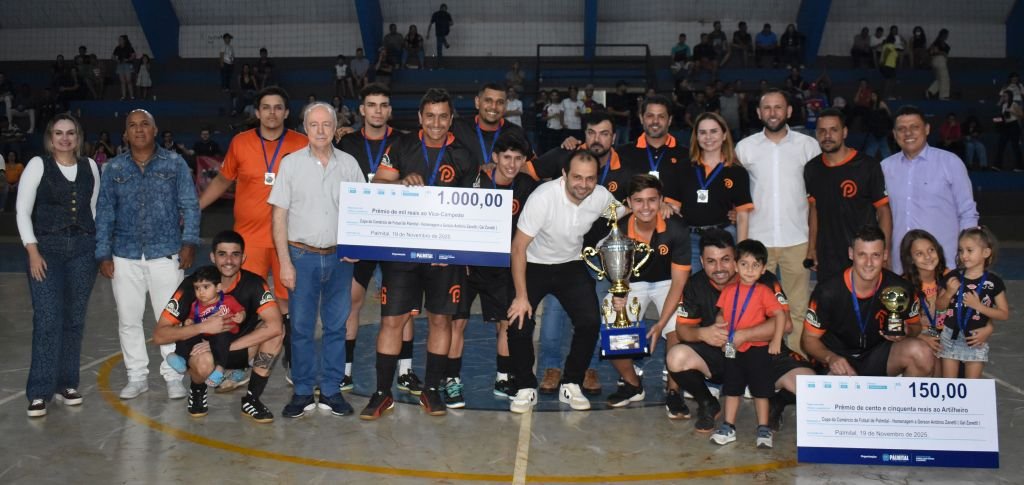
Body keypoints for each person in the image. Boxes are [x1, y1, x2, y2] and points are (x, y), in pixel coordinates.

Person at [360, 88, 476, 419]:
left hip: (445, 256)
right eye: (430, 116)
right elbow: (377, 187)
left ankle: (432, 390)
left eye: (443, 116)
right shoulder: (402, 146)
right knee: (392, 320)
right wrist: (401, 184)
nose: (436, 123)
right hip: (403, 253)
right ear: (420, 118)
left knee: (441, 320)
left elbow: (474, 209)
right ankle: (382, 393)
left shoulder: (464, 155)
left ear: (451, 119)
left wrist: (456, 250)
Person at [199, 87, 308, 388]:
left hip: (290, 240)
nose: (272, 113)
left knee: (288, 303)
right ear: (257, 112)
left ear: (287, 113)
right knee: (244, 304)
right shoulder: (241, 142)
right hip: (249, 240)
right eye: (266, 107)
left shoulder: (302, 143)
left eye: (278, 107)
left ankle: (292, 360)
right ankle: (239, 363)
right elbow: (223, 180)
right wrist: (196, 208)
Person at [525, 111, 635, 395]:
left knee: (592, 312)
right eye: (592, 132)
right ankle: (551, 367)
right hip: (562, 252)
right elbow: (527, 171)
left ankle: (588, 368)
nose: (597, 139)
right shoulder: (565, 155)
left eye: (604, 133)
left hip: (599, 255)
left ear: (614, 137)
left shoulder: (626, 167)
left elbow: (627, 207)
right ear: (583, 134)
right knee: (554, 311)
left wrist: (658, 204)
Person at [95, 109, 200, 400]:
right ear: (125, 134)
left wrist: (189, 242)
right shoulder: (113, 168)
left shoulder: (175, 163)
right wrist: (103, 253)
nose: (139, 130)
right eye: (133, 126)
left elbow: (190, 205)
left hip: (166, 254)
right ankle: (137, 377)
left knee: (170, 320)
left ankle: (173, 377)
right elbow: (104, 213)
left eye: (145, 125)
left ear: (155, 130)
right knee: (128, 320)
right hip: (124, 255)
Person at [506, 150, 622, 413]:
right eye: (577, 177)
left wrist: (660, 206)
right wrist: (521, 297)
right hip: (534, 263)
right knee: (518, 321)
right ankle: (525, 386)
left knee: (590, 321)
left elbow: (625, 211)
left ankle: (571, 383)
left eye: (590, 178)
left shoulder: (601, 196)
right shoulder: (543, 198)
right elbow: (518, 248)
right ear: (564, 175)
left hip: (570, 264)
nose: (583, 184)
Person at [268, 102, 364, 418]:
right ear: (305, 128)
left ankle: (332, 391)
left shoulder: (349, 164)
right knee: (301, 328)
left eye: (326, 125)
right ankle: (302, 392)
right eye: (314, 125)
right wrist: (285, 262)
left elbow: (362, 210)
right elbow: (278, 216)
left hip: (340, 258)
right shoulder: (291, 164)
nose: (320, 130)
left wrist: (358, 246)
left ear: (335, 128)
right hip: (301, 257)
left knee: (337, 326)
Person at [667, 228, 813, 431]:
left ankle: (776, 403)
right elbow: (682, 330)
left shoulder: (763, 279)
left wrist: (744, 335)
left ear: (735, 259)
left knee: (808, 385)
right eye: (711, 261)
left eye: (725, 260)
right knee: (676, 357)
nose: (719, 268)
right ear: (701, 261)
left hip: (764, 354)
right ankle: (708, 403)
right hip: (724, 355)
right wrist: (703, 333)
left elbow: (786, 324)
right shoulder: (695, 285)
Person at [334, 83, 421, 394]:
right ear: (361, 109)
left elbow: (413, 182)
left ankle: (406, 371)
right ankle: (344, 371)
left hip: (394, 233)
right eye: (371, 105)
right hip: (359, 233)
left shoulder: (405, 142)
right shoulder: (346, 143)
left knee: (404, 307)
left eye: (383, 105)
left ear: (390, 110)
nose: (378, 110)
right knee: (351, 302)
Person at [153, 230, 285, 422]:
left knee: (276, 332)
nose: (229, 261)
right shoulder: (194, 285)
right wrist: (203, 327)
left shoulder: (254, 283)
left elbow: (275, 326)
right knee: (203, 363)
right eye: (222, 254)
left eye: (235, 254)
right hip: (204, 354)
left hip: (237, 348)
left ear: (243, 258)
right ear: (212, 257)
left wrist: (221, 346)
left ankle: (252, 399)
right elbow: (159, 335)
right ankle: (198, 388)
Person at [446, 133, 539, 406]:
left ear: (524, 161)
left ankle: (503, 377)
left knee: (506, 323)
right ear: (495, 157)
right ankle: (451, 379)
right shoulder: (473, 181)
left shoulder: (527, 187)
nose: (511, 164)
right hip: (467, 264)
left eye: (518, 158)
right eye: (506, 157)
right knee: (457, 322)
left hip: (503, 266)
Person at [17, 114, 99, 418]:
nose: (65, 138)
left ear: (78, 137)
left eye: (71, 133)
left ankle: (67, 384)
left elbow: (93, 209)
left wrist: (97, 248)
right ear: (50, 138)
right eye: (59, 133)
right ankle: (39, 391)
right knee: (48, 318)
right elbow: (22, 211)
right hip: (47, 250)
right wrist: (33, 251)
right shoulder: (38, 165)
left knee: (74, 319)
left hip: (83, 250)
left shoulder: (90, 166)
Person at [735, 89, 821, 355]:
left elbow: (816, 199)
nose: (773, 113)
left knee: (798, 307)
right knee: (757, 308)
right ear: (759, 113)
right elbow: (734, 192)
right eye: (767, 108)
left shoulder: (808, 146)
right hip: (758, 241)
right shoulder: (744, 148)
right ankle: (760, 362)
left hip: (798, 239)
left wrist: (814, 244)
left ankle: (796, 360)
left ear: (789, 111)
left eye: (778, 107)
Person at [602, 174, 691, 409]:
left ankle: (674, 390)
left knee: (678, 328)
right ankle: (633, 384)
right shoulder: (620, 228)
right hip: (633, 283)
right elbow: (620, 273)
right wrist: (620, 294)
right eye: (639, 200)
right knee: (612, 322)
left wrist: (661, 324)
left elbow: (679, 283)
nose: (646, 207)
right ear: (629, 203)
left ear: (661, 200)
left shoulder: (676, 227)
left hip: (668, 282)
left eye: (652, 200)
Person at [801, 225, 934, 378]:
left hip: (877, 355)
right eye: (862, 255)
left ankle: (899, 394)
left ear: (885, 255)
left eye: (875, 255)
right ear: (851, 254)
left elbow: (916, 327)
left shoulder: (900, 288)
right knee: (841, 379)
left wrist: (906, 331)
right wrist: (830, 358)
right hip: (838, 357)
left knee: (922, 354)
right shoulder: (828, 291)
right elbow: (808, 340)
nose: (869, 263)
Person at [708, 239, 786, 448]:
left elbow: (779, 315)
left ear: (763, 269)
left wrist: (776, 340)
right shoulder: (728, 291)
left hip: (758, 350)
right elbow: (722, 314)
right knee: (732, 389)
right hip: (733, 350)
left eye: (755, 265)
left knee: (761, 392)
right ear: (735, 266)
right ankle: (728, 426)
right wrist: (722, 334)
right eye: (744, 264)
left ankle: (764, 428)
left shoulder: (764, 291)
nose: (749, 270)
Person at [881, 105, 978, 273]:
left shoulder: (950, 162)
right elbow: (881, 215)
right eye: (902, 129)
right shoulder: (885, 168)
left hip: (945, 265)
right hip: (900, 267)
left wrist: (967, 255)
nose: (908, 133)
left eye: (914, 127)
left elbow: (967, 212)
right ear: (894, 134)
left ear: (926, 129)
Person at [804, 108, 892, 284]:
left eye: (833, 130)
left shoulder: (867, 166)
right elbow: (814, 210)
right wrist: (812, 248)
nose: (827, 136)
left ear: (844, 132)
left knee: (865, 300)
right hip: (827, 255)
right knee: (829, 300)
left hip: (863, 253)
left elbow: (883, 212)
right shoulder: (812, 168)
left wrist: (883, 251)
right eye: (822, 131)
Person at [683, 112, 752, 271]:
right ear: (696, 137)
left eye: (714, 131)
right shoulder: (684, 167)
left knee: (725, 283)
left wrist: (740, 253)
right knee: (694, 285)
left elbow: (742, 216)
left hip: (725, 238)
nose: (708, 137)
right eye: (703, 132)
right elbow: (673, 208)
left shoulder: (737, 172)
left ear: (724, 135)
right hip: (691, 239)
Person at [937, 227, 1008, 379]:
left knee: (972, 386)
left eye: (969, 250)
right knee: (949, 384)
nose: (964, 255)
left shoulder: (993, 282)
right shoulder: (953, 276)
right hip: (950, 336)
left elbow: (1003, 314)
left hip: (976, 338)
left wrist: (978, 306)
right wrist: (949, 293)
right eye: (961, 250)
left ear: (986, 253)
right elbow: (939, 306)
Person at [163, 265, 247, 387]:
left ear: (218, 287)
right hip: (205, 334)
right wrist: (189, 321)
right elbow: (192, 317)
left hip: (226, 333)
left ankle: (219, 369)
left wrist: (241, 316)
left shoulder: (228, 300)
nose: (201, 292)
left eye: (206, 287)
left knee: (222, 339)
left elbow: (241, 310)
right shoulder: (195, 305)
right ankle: (181, 358)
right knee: (186, 334)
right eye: (197, 288)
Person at [899, 229, 951, 376]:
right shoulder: (903, 285)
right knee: (931, 354)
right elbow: (898, 324)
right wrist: (921, 337)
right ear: (910, 259)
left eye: (931, 250)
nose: (928, 256)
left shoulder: (949, 277)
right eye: (919, 254)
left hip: (944, 332)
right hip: (916, 333)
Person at [994, 89, 1023, 171]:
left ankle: (1020, 166)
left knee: (1015, 146)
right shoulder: (1004, 105)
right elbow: (1001, 116)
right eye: (1003, 96)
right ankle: (997, 166)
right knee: (1001, 146)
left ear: (1010, 96)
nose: (1004, 97)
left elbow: (1022, 115)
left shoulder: (1014, 104)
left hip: (1014, 125)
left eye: (1005, 96)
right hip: (1006, 126)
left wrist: (1012, 112)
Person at [925, 29, 951, 99]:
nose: (947, 36)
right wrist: (942, 53)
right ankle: (944, 96)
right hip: (940, 60)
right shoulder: (938, 43)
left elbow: (930, 52)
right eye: (946, 35)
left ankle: (929, 92)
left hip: (936, 62)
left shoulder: (937, 43)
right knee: (945, 79)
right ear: (943, 35)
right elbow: (932, 52)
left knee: (939, 79)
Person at [112, 35, 135, 100]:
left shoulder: (129, 47)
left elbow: (133, 55)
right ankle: (123, 96)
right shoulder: (117, 48)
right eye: (119, 39)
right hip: (120, 65)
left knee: (129, 80)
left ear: (124, 40)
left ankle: (131, 96)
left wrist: (128, 59)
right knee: (122, 81)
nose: (119, 40)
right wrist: (117, 60)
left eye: (120, 39)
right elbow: (113, 56)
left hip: (128, 64)